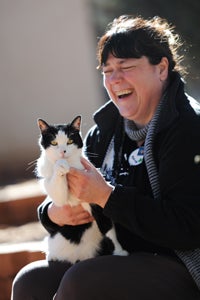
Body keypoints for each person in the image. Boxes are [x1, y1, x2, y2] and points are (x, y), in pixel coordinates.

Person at [12, 15, 200, 300]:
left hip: (180, 265)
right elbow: (75, 193)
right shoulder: (105, 131)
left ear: (161, 68)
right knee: (32, 281)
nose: (114, 79)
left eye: (125, 67)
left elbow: (186, 228)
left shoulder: (188, 128)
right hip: (114, 253)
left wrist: (107, 197)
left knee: (83, 280)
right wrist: (51, 213)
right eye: (107, 70)